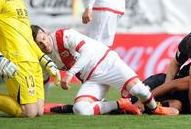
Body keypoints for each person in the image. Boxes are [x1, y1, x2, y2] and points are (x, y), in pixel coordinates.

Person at [31, 25, 179, 116]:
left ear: (45, 32)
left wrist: (69, 74)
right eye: (39, 44)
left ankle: (156, 109)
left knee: (141, 91)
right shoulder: (43, 57)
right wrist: (40, 103)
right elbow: (44, 80)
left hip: (107, 63)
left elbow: (87, 52)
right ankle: (121, 104)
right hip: (92, 79)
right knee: (80, 109)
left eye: (44, 38)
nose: (44, 44)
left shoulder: (63, 35)